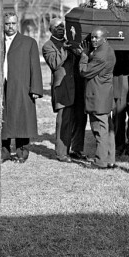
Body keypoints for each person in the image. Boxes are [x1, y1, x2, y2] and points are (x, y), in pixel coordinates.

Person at [0, 14, 43, 163]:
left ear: (17, 24)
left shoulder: (29, 43)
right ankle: (4, 153)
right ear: (2, 25)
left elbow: (35, 67)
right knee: (2, 118)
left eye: (13, 23)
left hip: (21, 86)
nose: (10, 26)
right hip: (1, 86)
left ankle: (21, 153)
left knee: (21, 119)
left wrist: (35, 89)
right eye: (7, 24)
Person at [41, 17, 87, 163]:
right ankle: (61, 153)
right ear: (50, 29)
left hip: (78, 85)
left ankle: (77, 150)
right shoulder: (48, 46)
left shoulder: (71, 41)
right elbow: (54, 63)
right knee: (64, 121)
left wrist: (80, 51)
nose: (60, 28)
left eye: (62, 26)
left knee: (80, 118)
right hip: (63, 87)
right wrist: (65, 49)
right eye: (56, 27)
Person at [80, 28, 117, 169]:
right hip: (104, 95)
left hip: (98, 97)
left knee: (100, 130)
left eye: (97, 37)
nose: (93, 40)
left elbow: (84, 71)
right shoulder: (107, 50)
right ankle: (109, 159)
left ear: (104, 38)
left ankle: (100, 162)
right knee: (107, 129)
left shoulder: (101, 55)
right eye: (92, 38)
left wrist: (84, 55)